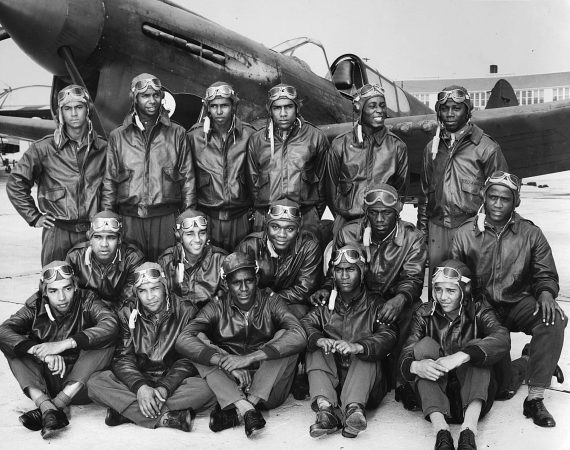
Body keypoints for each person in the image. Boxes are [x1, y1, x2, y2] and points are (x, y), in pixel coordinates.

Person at [450, 171, 566, 428]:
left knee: (554, 319)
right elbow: (454, 276)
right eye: (493, 197)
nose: (498, 204)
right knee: (501, 389)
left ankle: (535, 398)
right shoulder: (464, 233)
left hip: (517, 303)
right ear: (484, 196)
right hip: (483, 309)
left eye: (505, 199)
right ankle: (530, 360)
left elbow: (545, 273)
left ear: (516, 202)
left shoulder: (530, 233)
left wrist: (546, 291)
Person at [311, 185, 426, 406]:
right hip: (357, 298)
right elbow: (337, 266)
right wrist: (326, 287)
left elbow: (413, 279)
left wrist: (400, 299)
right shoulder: (348, 232)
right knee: (322, 309)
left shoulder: (413, 237)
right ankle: (334, 375)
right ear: (365, 211)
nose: (380, 218)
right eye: (374, 212)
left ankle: (402, 381)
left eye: (387, 212)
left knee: (413, 313)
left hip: (393, 299)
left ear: (398, 211)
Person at [175, 252, 306, 438]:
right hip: (232, 383)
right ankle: (247, 411)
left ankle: (247, 405)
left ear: (257, 279)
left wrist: (248, 358)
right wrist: (225, 362)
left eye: (249, 281)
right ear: (226, 284)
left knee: (286, 337)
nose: (244, 288)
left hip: (269, 390)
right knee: (198, 341)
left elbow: (300, 335)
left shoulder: (271, 300)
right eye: (236, 283)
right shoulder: (216, 306)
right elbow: (183, 339)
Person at [88, 263, 215, 431]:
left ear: (164, 286)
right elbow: (123, 358)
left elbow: (187, 359)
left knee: (208, 387)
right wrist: (140, 387)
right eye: (142, 291)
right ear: (136, 292)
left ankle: (128, 413)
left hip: (174, 381)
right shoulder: (126, 312)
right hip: (139, 378)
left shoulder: (186, 310)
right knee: (95, 383)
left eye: (155, 288)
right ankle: (166, 417)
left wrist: (165, 387)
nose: (150, 297)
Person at [399, 260, 510, 450]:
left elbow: (502, 337)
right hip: (439, 389)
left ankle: (469, 432)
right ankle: (441, 432)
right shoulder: (424, 313)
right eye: (438, 290)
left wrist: (462, 355)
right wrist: (416, 366)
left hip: (474, 388)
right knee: (424, 350)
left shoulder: (479, 309)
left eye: (451, 291)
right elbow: (407, 350)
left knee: (477, 348)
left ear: (464, 291)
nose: (443, 297)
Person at [0, 261, 118, 439]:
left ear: (76, 286)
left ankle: (50, 407)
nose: (61, 297)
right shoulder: (35, 305)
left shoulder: (88, 300)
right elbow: (4, 331)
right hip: (48, 380)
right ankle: (48, 405)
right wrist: (41, 352)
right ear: (44, 291)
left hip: (80, 384)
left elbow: (110, 324)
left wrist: (64, 344)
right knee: (13, 346)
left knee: (106, 340)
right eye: (53, 291)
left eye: (67, 289)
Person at [301, 245, 398, 439]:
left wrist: (359, 346)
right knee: (314, 347)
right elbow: (306, 323)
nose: (344, 275)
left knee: (367, 352)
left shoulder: (375, 304)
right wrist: (319, 339)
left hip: (367, 387)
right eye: (339, 270)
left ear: (362, 272)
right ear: (333, 274)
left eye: (351, 269)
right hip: (334, 383)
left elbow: (389, 335)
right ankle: (326, 410)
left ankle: (354, 411)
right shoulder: (326, 303)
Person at [417, 85, 507, 288]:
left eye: (456, 108)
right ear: (438, 112)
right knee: (439, 289)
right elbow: (424, 196)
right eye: (444, 108)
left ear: (467, 111)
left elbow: (502, 197)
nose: (449, 114)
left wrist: (495, 236)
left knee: (472, 290)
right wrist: (422, 235)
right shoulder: (430, 150)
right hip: (437, 230)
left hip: (473, 231)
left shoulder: (487, 148)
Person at [7, 85, 107, 265]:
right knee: (55, 283)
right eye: (67, 109)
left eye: (79, 107)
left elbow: (114, 189)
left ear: (88, 110)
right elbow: (15, 183)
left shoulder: (104, 149)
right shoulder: (44, 148)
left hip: (94, 232)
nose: (74, 114)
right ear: (61, 113)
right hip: (57, 232)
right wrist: (34, 216)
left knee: (93, 289)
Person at [101, 73, 196, 261]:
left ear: (161, 97)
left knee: (167, 272)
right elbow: (110, 182)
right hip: (130, 219)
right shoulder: (118, 136)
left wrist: (188, 217)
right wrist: (107, 220)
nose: (151, 100)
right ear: (135, 98)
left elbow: (188, 179)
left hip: (166, 218)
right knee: (132, 274)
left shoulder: (177, 133)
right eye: (145, 96)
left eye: (156, 95)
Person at [246, 83, 329, 237]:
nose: (283, 113)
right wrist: (261, 212)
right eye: (277, 108)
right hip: (266, 218)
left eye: (288, 107)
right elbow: (253, 185)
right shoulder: (257, 140)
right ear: (269, 110)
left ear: (297, 108)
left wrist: (312, 216)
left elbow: (324, 185)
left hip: (305, 218)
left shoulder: (316, 137)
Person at [326, 84, 408, 234]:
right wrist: (341, 218)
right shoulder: (339, 144)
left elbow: (400, 192)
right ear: (359, 109)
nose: (379, 111)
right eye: (372, 106)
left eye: (382, 106)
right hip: (347, 223)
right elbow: (330, 190)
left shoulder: (397, 146)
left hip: (383, 226)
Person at [188, 82, 255, 252]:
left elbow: (258, 178)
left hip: (241, 219)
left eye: (224, 105)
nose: (219, 111)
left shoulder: (250, 136)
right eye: (214, 106)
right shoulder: (194, 137)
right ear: (207, 108)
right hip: (208, 218)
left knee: (241, 269)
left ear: (234, 106)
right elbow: (187, 180)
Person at [235, 200, 322, 319]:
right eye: (275, 227)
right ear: (266, 225)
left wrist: (269, 299)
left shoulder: (309, 246)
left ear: (298, 229)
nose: (282, 234)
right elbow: (237, 285)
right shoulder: (249, 246)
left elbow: (303, 289)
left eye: (290, 229)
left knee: (297, 316)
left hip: (289, 304)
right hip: (254, 305)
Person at [65, 211, 145, 308]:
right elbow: (69, 297)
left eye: (111, 238)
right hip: (87, 312)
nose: (104, 244)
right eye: (98, 237)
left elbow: (129, 300)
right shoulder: (75, 257)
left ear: (119, 240)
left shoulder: (132, 258)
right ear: (90, 239)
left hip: (120, 314)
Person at [158, 209, 227, 309]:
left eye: (202, 233)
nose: (197, 239)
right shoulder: (166, 261)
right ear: (178, 236)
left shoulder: (220, 260)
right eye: (190, 234)